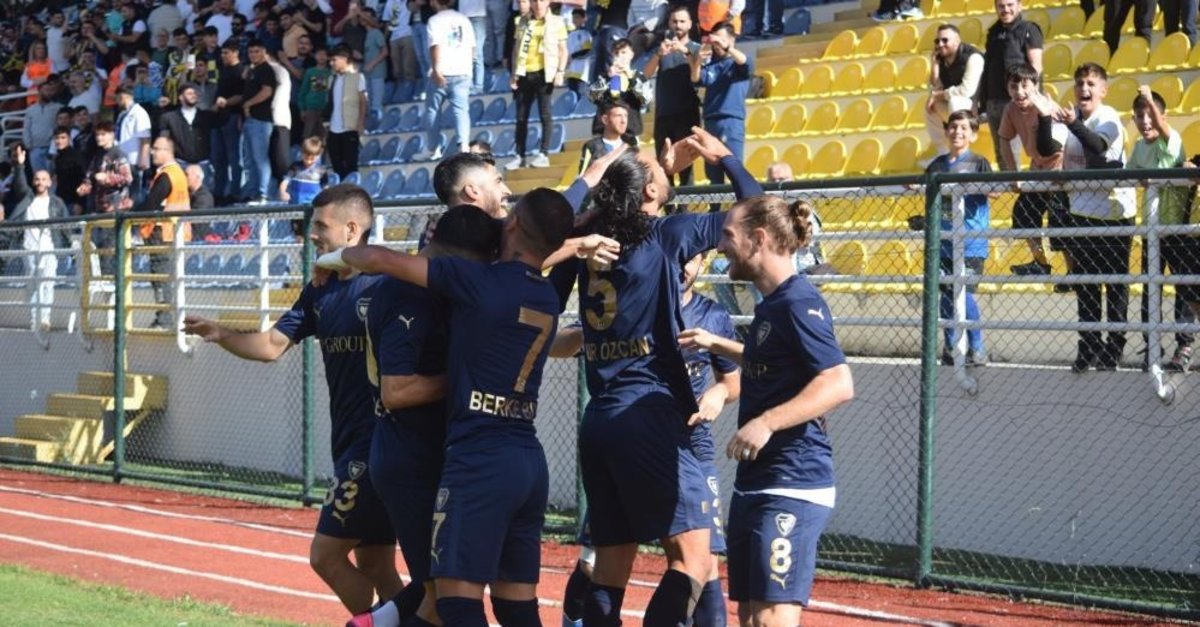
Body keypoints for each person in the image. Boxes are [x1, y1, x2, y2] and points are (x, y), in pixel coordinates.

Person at [316, 187, 577, 627]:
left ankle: (375, 621)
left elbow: (376, 258)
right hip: (527, 459)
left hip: (477, 460)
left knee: (454, 603)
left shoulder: (477, 281)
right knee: (514, 607)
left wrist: (330, 260)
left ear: (513, 223)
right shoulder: (545, 295)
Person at [551, 128, 763, 627]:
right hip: (650, 413)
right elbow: (757, 210)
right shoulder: (667, 234)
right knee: (694, 564)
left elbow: (558, 232)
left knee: (609, 572)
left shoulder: (590, 241)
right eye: (655, 164)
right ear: (648, 190)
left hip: (601, 418)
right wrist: (725, 159)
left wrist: (648, 174)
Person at [182, 184, 404, 615]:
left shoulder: (390, 284)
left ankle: (377, 624)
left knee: (325, 556)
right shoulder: (320, 290)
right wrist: (222, 333)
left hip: (378, 445)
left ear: (352, 229)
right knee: (376, 564)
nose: (312, 234)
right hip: (349, 442)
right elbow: (271, 345)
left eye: (321, 226)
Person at [679, 195, 854, 627]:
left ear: (758, 239)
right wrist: (717, 344)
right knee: (750, 618)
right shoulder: (772, 304)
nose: (721, 246)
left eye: (728, 236)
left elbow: (838, 382)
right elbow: (771, 362)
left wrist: (766, 422)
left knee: (771, 619)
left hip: (792, 482)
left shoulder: (798, 302)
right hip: (756, 481)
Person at [346, 204, 503, 627]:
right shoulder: (409, 294)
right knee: (439, 597)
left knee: (436, 591)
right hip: (410, 460)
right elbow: (397, 391)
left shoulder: (427, 287)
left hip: (425, 454)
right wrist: (466, 378)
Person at [1057, 62, 1135, 372]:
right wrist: (1042, 116)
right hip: (1081, 213)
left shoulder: (1109, 117)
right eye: (1079, 83)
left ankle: (1114, 347)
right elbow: (1048, 148)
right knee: (1086, 284)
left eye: (1090, 83)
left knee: (1114, 285)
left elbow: (1097, 145)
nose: (1084, 89)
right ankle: (1089, 345)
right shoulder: (1070, 119)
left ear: (1103, 90)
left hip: (1113, 215)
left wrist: (1073, 123)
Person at [1129, 86, 1196, 372]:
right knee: (1150, 290)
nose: (1145, 121)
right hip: (1152, 232)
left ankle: (1185, 345)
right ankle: (1152, 344)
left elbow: (1161, 127)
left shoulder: (1173, 139)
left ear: (1162, 116)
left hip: (1178, 232)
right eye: (1139, 115)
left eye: (1150, 114)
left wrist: (1148, 97)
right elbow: (1130, 174)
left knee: (1184, 290)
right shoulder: (1138, 147)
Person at [924, 110, 991, 366]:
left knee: (964, 293)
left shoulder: (979, 162)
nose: (957, 132)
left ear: (973, 134)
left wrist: (969, 187)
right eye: (953, 127)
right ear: (946, 131)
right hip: (943, 243)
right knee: (946, 295)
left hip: (971, 243)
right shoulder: (937, 165)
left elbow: (994, 190)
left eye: (964, 128)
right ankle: (951, 346)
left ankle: (977, 347)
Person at [997, 64, 1070, 279]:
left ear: (1035, 86)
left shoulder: (1047, 106)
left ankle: (1072, 271)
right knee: (1024, 212)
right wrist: (1014, 173)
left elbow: (1060, 144)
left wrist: (1060, 172)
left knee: (1059, 221)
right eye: (1013, 87)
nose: (1019, 92)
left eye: (1024, 86)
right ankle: (1040, 262)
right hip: (1036, 168)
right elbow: (1004, 139)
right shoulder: (1010, 109)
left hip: (1059, 168)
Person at [6, 151, 70, 332]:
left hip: (50, 248)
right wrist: (20, 165)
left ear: (50, 183)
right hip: (30, 247)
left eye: (43, 179)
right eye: (37, 179)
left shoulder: (57, 203)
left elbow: (66, 226)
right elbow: (20, 185)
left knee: (48, 282)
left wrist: (71, 242)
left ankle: (45, 318)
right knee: (34, 283)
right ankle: (35, 318)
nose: (40, 182)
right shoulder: (28, 199)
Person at [133, 136, 191, 329]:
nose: (152, 152)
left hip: (163, 232)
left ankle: (164, 319)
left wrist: (129, 213)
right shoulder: (177, 173)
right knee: (166, 277)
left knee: (160, 277)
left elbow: (152, 203)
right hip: (174, 231)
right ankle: (167, 318)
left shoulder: (167, 175)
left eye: (157, 148)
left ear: (168, 151)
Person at [977, 0, 1043, 168]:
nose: (1005, 9)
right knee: (1002, 153)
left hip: (1018, 101)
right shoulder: (993, 32)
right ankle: (1011, 184)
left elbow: (1036, 66)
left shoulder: (1029, 29)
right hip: (994, 101)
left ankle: (1037, 184)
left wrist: (1029, 97)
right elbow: (987, 67)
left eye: (1010, 5)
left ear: (1020, 5)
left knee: (1036, 150)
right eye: (1001, 6)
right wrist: (982, 101)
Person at [644, 5, 702, 186]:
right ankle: (667, 203)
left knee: (685, 168)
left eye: (682, 21)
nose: (678, 25)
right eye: (674, 21)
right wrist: (658, 55)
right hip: (663, 114)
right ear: (669, 23)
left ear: (690, 24)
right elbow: (645, 74)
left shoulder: (696, 49)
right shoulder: (663, 49)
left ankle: (687, 204)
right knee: (663, 168)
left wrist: (684, 51)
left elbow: (698, 73)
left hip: (687, 115)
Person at [507, 0, 567, 170]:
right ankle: (520, 155)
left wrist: (560, 71)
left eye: (542, 0)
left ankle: (543, 153)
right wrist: (514, 73)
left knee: (545, 113)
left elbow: (563, 50)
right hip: (524, 72)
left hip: (544, 73)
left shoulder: (557, 21)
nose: (538, 4)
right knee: (521, 116)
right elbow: (516, 49)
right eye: (535, 1)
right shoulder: (522, 21)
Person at [691, 21, 752, 187]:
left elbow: (745, 63)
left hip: (730, 121)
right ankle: (716, 203)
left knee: (734, 169)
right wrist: (697, 60)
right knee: (713, 172)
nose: (717, 44)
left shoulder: (736, 62)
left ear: (732, 39)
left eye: (721, 39)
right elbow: (696, 79)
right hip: (711, 122)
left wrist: (728, 48)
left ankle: (741, 203)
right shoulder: (712, 64)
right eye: (715, 40)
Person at [414, 0, 475, 161]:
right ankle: (464, 146)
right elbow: (472, 47)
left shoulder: (435, 20)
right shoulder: (463, 19)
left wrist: (436, 70)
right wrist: (468, 69)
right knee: (461, 110)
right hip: (462, 71)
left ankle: (433, 148)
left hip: (442, 71)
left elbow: (435, 46)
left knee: (432, 110)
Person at [925, 24, 984, 157]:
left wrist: (938, 95)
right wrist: (935, 67)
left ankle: (961, 153)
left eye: (945, 40)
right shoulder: (941, 59)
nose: (940, 44)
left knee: (955, 102)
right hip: (960, 107)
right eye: (937, 41)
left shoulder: (973, 57)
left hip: (980, 108)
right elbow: (934, 90)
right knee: (930, 106)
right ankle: (943, 153)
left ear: (957, 41)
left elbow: (966, 91)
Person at [589, 38, 647, 144]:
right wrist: (608, 77)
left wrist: (630, 77)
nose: (620, 56)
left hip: (629, 133)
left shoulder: (638, 77)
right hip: (604, 134)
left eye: (624, 52)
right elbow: (592, 97)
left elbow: (645, 99)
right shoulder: (604, 77)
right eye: (616, 53)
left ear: (631, 55)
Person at [241, 40, 278, 204]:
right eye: (251, 52)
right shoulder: (253, 70)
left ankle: (263, 193)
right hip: (250, 119)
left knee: (260, 158)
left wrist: (248, 103)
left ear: (263, 52)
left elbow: (267, 91)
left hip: (261, 120)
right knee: (249, 159)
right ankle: (253, 191)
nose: (254, 55)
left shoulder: (266, 70)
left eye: (257, 51)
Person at [327, 44, 368, 181]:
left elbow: (363, 101)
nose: (331, 63)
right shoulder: (331, 79)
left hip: (350, 127)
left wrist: (360, 123)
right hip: (333, 128)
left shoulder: (358, 77)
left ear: (344, 59)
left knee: (351, 164)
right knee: (336, 164)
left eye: (334, 60)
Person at [211, 41, 245, 205]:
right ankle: (219, 192)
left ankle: (235, 192)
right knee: (218, 158)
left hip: (232, 116)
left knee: (234, 158)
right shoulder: (223, 70)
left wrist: (226, 102)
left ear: (236, 53)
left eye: (226, 53)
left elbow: (242, 95)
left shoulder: (241, 71)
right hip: (219, 118)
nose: (223, 56)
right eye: (222, 53)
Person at [159, 83, 214, 167]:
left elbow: (222, 119)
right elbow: (164, 140)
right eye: (189, 93)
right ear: (181, 97)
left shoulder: (206, 116)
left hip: (203, 163)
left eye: (195, 93)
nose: (193, 95)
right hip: (179, 163)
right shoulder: (169, 118)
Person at [580, 102, 638, 172]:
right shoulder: (592, 147)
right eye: (618, 116)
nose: (623, 121)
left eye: (625, 116)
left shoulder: (631, 146)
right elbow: (583, 176)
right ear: (605, 120)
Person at [280, 136, 333, 204]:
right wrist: (283, 192)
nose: (308, 161)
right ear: (302, 153)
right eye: (306, 158)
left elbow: (325, 188)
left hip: (311, 205)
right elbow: (285, 181)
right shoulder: (295, 167)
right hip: (294, 204)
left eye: (312, 159)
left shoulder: (321, 171)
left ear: (318, 155)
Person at [23, 82, 61, 175]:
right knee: (39, 176)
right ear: (39, 91)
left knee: (53, 175)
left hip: (52, 148)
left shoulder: (58, 108)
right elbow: (26, 129)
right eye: (47, 90)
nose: (49, 93)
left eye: (51, 90)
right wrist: (29, 146)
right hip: (35, 148)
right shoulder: (30, 110)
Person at [52, 127, 88, 217]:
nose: (59, 141)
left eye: (63, 137)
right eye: (57, 138)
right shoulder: (57, 158)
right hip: (61, 201)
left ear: (69, 139)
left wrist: (79, 202)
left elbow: (83, 179)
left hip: (74, 202)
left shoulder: (77, 155)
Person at [564, 8, 593, 103]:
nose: (575, 20)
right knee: (571, 96)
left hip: (581, 72)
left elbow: (587, 50)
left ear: (584, 19)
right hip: (570, 71)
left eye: (577, 17)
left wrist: (573, 56)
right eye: (573, 18)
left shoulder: (585, 34)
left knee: (580, 95)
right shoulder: (570, 34)